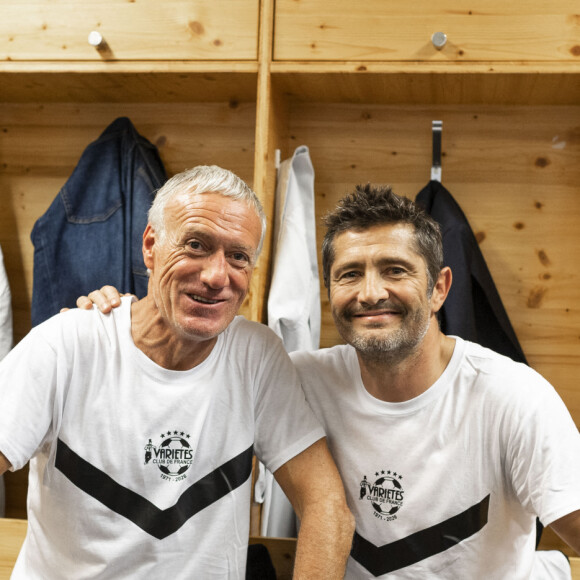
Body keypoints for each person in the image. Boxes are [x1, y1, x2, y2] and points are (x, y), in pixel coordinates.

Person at [78, 184, 580, 578]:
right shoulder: (296, 378)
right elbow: (175, 375)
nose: (371, 292)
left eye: (395, 270)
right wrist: (118, 322)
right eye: (349, 274)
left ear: (439, 288)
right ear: (329, 291)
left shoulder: (515, 398)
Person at [0, 165, 354, 579]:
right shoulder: (66, 344)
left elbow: (327, 505)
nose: (216, 276)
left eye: (238, 256)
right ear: (150, 245)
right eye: (196, 245)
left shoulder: (257, 356)